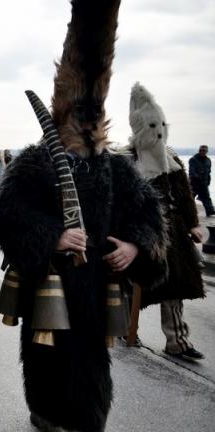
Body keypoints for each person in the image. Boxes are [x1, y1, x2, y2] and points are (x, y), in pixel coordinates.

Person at [0, 1, 168, 431]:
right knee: (46, 360)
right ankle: (46, 413)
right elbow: (5, 215)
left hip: (94, 292)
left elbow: (149, 220)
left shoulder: (117, 168)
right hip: (48, 287)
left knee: (91, 371)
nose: (88, 124)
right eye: (80, 115)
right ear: (64, 114)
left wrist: (134, 247)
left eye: (95, 115)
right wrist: (51, 236)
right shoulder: (37, 162)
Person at [120, 83, 205, 360]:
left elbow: (184, 195)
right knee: (134, 285)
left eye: (162, 125)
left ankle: (177, 341)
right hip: (141, 235)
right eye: (152, 126)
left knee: (175, 286)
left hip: (174, 234)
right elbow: (121, 200)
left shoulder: (172, 160)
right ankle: (125, 327)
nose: (158, 132)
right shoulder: (127, 160)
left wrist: (193, 224)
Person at [189, 145, 215, 217]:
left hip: (204, 183)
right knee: (190, 198)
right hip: (194, 183)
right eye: (201, 150)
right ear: (199, 151)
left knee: (206, 197)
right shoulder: (193, 159)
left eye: (204, 150)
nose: (202, 152)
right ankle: (189, 212)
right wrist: (197, 177)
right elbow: (191, 171)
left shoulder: (208, 160)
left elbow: (208, 171)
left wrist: (208, 180)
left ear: (207, 151)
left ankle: (210, 211)